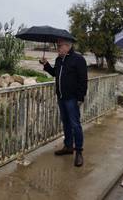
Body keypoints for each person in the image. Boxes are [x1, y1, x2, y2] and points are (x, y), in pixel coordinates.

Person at [39, 38, 88, 167]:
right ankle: (68, 147)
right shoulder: (59, 60)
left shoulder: (78, 60)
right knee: (65, 123)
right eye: (57, 46)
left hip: (72, 98)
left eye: (60, 46)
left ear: (68, 46)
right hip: (61, 97)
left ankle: (79, 152)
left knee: (75, 124)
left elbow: (83, 81)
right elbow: (56, 73)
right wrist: (46, 65)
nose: (58, 48)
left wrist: (80, 98)